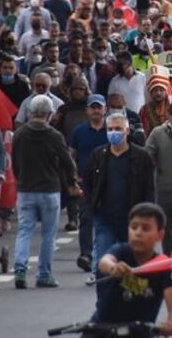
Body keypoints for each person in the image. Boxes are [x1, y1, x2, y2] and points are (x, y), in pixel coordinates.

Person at [12, 95, 79, 289]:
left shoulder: (20, 134)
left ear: (31, 112)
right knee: (48, 235)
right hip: (49, 189)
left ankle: (20, 270)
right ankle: (44, 274)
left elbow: (15, 162)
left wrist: (20, 178)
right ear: (49, 114)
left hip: (26, 189)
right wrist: (73, 180)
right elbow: (67, 161)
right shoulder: (54, 136)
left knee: (24, 231)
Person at [93, 203, 172, 337]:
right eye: (134, 227)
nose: (138, 233)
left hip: (140, 333)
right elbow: (104, 262)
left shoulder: (163, 267)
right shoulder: (121, 251)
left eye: (146, 228)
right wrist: (113, 268)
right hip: (102, 329)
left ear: (160, 235)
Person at [84, 112, 156, 274]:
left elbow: (149, 188)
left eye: (118, 128)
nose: (114, 133)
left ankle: (129, 296)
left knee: (132, 264)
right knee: (103, 264)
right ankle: (104, 297)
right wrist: (91, 206)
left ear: (127, 131)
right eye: (110, 129)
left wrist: (147, 215)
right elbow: (88, 183)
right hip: (104, 218)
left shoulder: (141, 156)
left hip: (132, 219)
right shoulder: (99, 155)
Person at [69, 94, 110, 272]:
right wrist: (73, 177)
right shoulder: (79, 131)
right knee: (86, 218)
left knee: (107, 218)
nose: (96, 110)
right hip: (86, 182)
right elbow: (71, 155)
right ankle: (86, 254)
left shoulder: (111, 130)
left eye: (99, 107)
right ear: (87, 110)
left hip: (109, 181)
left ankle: (106, 254)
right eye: (92, 107)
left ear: (105, 109)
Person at [144, 100, 172, 255]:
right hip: (164, 187)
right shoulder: (158, 133)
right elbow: (146, 155)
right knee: (166, 228)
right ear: (168, 115)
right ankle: (170, 260)